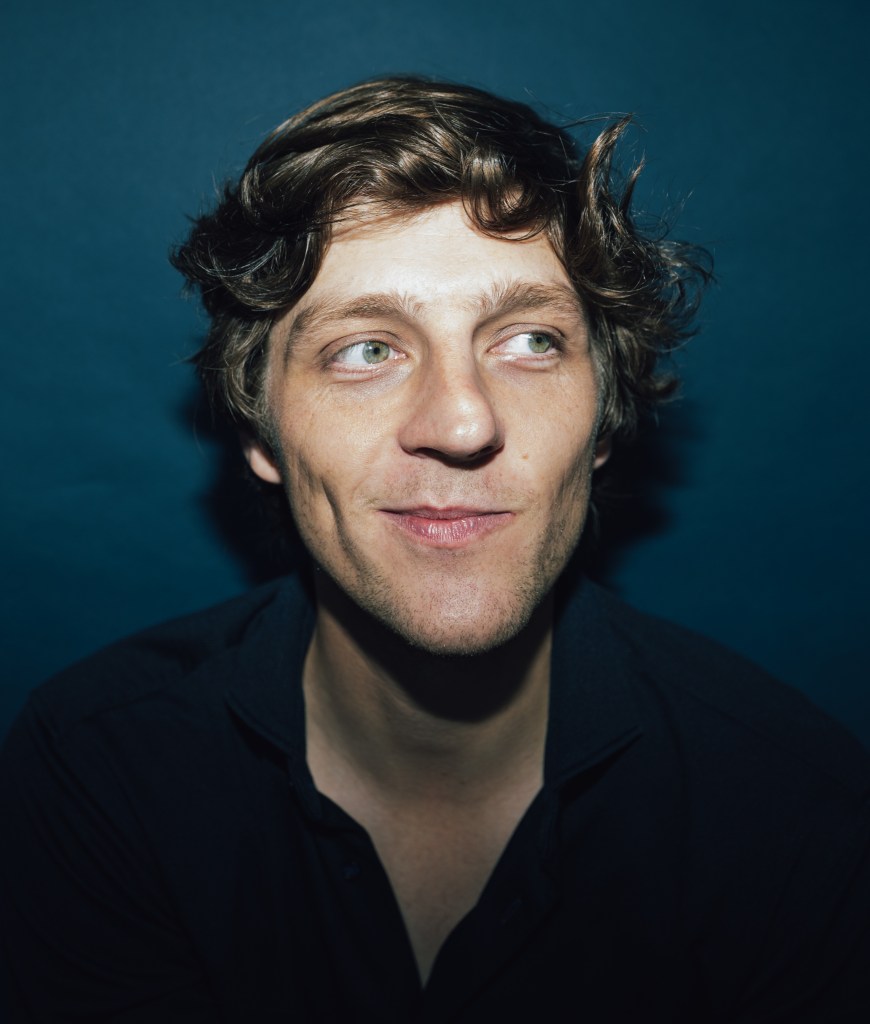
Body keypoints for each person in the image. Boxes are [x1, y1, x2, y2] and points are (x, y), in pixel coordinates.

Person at [1, 76, 868, 1023]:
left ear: (604, 418)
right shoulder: (100, 771)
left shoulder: (795, 813)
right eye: (366, 350)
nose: (462, 423)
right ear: (261, 434)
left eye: (529, 340)